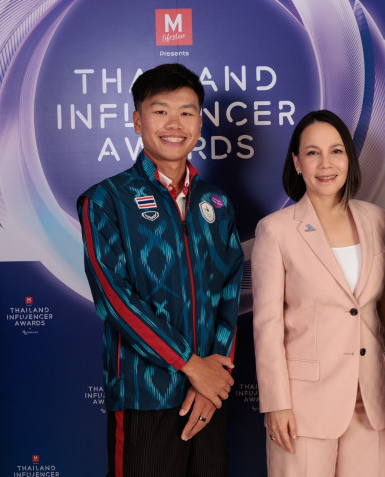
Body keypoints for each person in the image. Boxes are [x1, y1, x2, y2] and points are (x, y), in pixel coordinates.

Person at [77, 63, 244, 477]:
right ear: (138, 121)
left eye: (186, 112)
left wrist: (214, 376)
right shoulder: (106, 200)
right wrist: (190, 364)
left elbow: (229, 292)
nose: (174, 124)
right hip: (144, 397)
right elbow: (115, 300)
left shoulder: (217, 202)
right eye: (160, 111)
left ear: (200, 122)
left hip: (209, 397)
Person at [252, 110, 385, 476]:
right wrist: (276, 404)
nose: (325, 164)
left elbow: (384, 311)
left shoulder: (376, 220)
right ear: (296, 162)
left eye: (336, 151)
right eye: (312, 153)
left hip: (373, 399)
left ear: (349, 157)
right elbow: (267, 326)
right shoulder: (275, 230)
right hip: (304, 405)